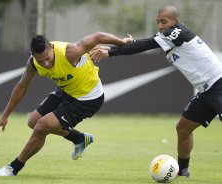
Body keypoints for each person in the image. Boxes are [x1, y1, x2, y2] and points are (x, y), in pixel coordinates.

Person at [90, 5, 222, 178]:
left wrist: (110, 51)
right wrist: (124, 44)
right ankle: (183, 173)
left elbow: (145, 45)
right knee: (183, 128)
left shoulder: (176, 33)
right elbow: (145, 42)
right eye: (158, 22)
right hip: (206, 91)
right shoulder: (166, 36)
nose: (160, 25)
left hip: (219, 84)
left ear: (176, 21)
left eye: (164, 22)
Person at [0, 32, 133, 176]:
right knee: (33, 121)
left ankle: (13, 168)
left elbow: (98, 37)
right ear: (33, 56)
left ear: (51, 47)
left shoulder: (69, 52)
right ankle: (79, 138)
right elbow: (22, 86)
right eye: (41, 61)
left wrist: (122, 42)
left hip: (87, 98)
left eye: (47, 58)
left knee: (41, 127)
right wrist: (5, 116)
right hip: (66, 91)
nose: (45, 64)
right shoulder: (33, 63)